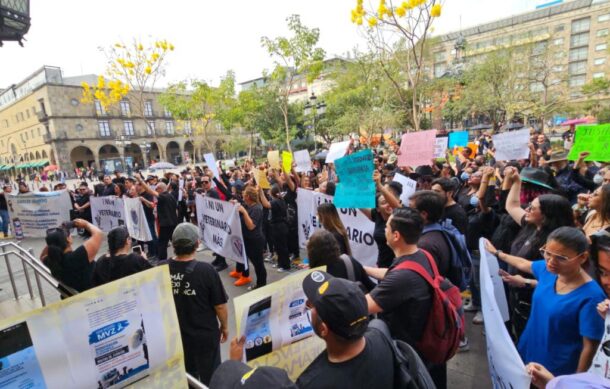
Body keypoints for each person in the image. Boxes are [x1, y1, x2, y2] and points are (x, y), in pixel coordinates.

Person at [223, 271, 394, 389]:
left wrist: (235, 365)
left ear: (324, 329)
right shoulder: (380, 335)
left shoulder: (312, 383)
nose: (307, 305)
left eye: (314, 307)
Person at [485, 227, 605, 377]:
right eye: (547, 253)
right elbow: (524, 264)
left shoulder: (591, 297)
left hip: (555, 371)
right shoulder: (548, 271)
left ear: (582, 257)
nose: (551, 262)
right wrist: (497, 253)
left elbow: (590, 346)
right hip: (527, 353)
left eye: (562, 257)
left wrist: (575, 382)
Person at [363, 207, 447, 389]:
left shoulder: (403, 278)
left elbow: (363, 305)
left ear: (396, 236)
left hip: (408, 353)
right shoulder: (421, 255)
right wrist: (364, 269)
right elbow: (392, 273)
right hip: (426, 344)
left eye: (386, 227)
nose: (383, 230)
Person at [504, 166, 575, 339]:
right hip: (517, 296)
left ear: (546, 215)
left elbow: (559, 282)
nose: (527, 209)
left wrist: (525, 282)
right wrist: (517, 182)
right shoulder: (531, 226)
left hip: (534, 302)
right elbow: (512, 205)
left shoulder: (557, 243)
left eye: (533, 208)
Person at [161, 222, 229, 385]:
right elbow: (219, 305)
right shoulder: (206, 271)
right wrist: (224, 327)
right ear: (197, 244)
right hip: (204, 336)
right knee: (210, 377)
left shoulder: (162, 268)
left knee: (187, 377)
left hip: (175, 336)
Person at [41, 219, 104, 293]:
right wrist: (86, 224)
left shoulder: (52, 260)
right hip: (91, 296)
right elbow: (99, 234)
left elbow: (42, 256)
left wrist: (53, 238)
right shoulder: (77, 257)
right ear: (69, 240)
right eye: (69, 235)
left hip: (71, 295)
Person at [307, 230, 375, 292]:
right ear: (335, 245)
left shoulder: (315, 276)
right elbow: (371, 287)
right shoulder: (349, 262)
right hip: (355, 304)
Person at [360, 170, 401, 268]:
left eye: (389, 201)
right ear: (378, 208)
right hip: (382, 266)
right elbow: (357, 201)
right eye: (383, 202)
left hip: (398, 268)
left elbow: (397, 207)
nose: (388, 205)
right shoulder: (376, 215)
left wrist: (379, 185)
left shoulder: (401, 216)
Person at [231, 186, 266, 288]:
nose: (243, 198)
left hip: (255, 240)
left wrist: (244, 212)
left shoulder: (257, 209)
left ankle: (261, 284)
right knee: (246, 259)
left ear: (248, 197)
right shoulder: (249, 206)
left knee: (258, 264)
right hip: (248, 239)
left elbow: (251, 226)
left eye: (244, 196)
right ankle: (244, 275)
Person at [269, 184, 290, 272]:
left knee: (281, 247)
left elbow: (266, 205)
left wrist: (260, 193)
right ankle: (280, 263)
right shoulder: (280, 200)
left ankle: (285, 266)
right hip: (281, 226)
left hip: (279, 227)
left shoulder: (275, 202)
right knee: (279, 247)